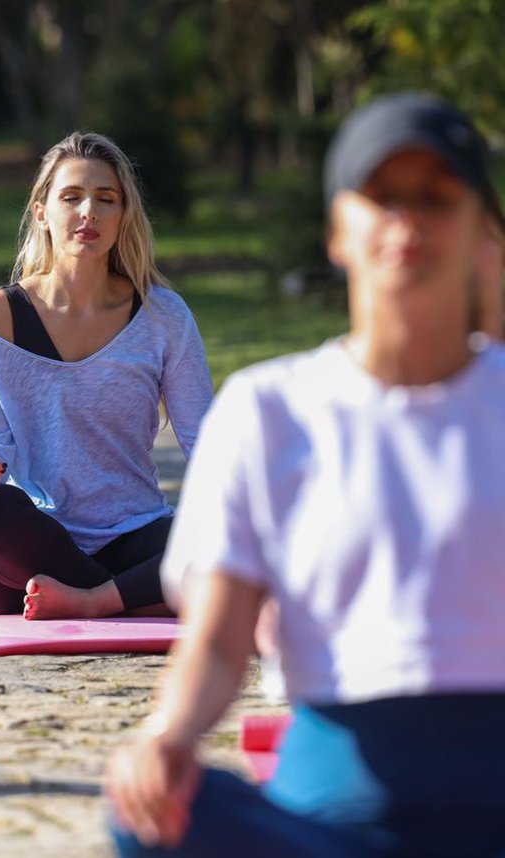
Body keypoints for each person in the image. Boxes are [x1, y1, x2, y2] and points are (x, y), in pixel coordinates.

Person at [107, 92, 505, 857]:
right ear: (336, 232)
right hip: (336, 813)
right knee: (152, 814)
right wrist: (168, 736)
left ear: (479, 230)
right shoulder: (271, 410)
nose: (408, 220)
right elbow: (220, 641)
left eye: (437, 196)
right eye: (383, 196)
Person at [0, 131, 212, 621]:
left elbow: (206, 442)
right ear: (42, 210)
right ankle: (136, 596)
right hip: (35, 541)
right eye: (72, 197)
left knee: (224, 534)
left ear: (122, 215)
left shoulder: (162, 316)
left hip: (137, 536)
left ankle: (90, 600)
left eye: (105, 199)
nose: (88, 211)